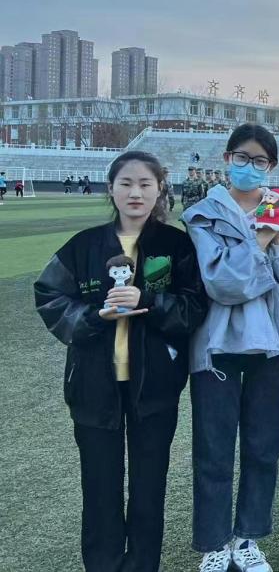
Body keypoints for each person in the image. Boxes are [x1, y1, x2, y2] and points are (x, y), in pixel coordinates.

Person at [34, 150, 207, 572]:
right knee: (99, 487)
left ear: (159, 190)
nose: (135, 193)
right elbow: (50, 296)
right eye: (126, 183)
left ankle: (142, 565)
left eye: (145, 184)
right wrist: (95, 316)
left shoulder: (175, 245)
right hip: (94, 386)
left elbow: (194, 308)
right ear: (110, 189)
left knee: (148, 488)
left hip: (156, 388)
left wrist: (148, 300)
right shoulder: (84, 246)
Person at [183, 124, 279, 572]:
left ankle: (247, 539)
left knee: (263, 446)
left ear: (271, 166)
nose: (250, 167)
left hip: (272, 343)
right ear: (227, 158)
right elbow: (221, 283)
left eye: (260, 161)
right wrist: (260, 241)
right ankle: (215, 544)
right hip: (216, 344)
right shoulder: (203, 215)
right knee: (213, 449)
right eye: (243, 158)